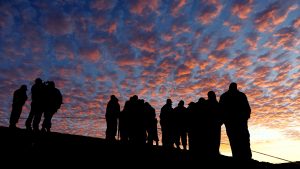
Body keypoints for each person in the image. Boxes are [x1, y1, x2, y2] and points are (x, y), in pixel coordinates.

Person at [219, 82, 252, 160]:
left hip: (237, 122)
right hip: (235, 122)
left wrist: (246, 117)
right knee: (239, 138)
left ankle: (242, 156)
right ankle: (243, 156)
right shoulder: (240, 95)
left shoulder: (225, 96)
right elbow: (221, 109)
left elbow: (247, 108)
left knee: (237, 139)